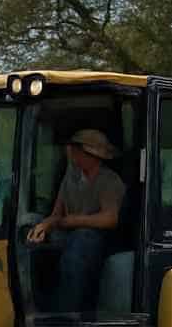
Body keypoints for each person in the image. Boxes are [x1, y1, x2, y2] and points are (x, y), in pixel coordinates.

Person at [26, 129, 125, 313]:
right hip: (67, 235)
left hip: (98, 240)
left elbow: (110, 218)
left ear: (91, 155)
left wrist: (75, 221)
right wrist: (43, 226)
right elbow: (57, 214)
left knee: (81, 242)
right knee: (33, 245)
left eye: (77, 150)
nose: (72, 155)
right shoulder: (70, 178)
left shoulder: (110, 181)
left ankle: (69, 313)